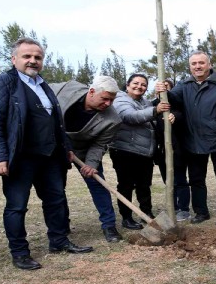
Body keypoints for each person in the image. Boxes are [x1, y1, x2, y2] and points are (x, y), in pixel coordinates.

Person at [0, 38, 93, 271]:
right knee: (17, 206)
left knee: (56, 200)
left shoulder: (43, 86)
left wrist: (66, 147)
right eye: (27, 56)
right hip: (20, 157)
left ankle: (59, 241)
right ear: (14, 59)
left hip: (51, 156)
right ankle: (20, 253)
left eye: (38, 57)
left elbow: (55, 122)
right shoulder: (1, 83)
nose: (33, 61)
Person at [154, 51, 216, 227]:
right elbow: (173, 99)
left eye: (201, 63)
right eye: (194, 64)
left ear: (209, 64)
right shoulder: (185, 84)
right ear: (190, 66)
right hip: (193, 141)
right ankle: (201, 212)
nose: (198, 66)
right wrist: (162, 92)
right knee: (196, 180)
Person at [50, 75, 123, 243]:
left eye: (112, 100)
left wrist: (91, 165)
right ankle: (62, 225)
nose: (108, 104)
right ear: (91, 91)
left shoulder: (112, 120)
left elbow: (99, 144)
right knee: (56, 188)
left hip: (84, 150)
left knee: (98, 185)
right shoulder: (66, 88)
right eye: (105, 99)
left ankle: (109, 226)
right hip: (55, 147)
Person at [110, 74, 170, 229]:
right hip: (125, 150)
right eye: (136, 83)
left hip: (144, 152)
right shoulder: (120, 100)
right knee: (126, 185)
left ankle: (146, 213)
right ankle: (127, 217)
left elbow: (154, 116)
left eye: (143, 85)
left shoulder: (144, 102)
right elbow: (129, 116)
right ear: (128, 85)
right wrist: (155, 110)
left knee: (144, 185)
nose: (139, 87)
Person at [153, 79, 191, 222]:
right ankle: (172, 207)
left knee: (180, 180)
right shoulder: (153, 106)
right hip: (161, 152)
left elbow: (182, 117)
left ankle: (184, 209)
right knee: (168, 181)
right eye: (160, 88)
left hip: (177, 152)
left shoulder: (178, 108)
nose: (163, 91)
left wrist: (175, 116)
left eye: (166, 88)